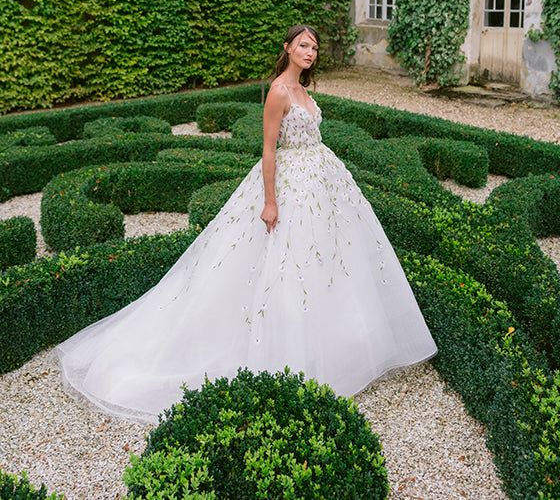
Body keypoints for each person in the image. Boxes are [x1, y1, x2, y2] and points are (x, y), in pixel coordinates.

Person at [53, 24, 437, 424]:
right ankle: (290, 359)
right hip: (290, 186)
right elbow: (268, 150)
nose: (311, 52)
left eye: (315, 47)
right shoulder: (278, 92)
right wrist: (271, 202)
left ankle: (334, 354)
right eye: (304, 45)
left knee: (328, 262)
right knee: (286, 266)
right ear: (288, 48)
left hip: (323, 184)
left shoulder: (305, 91)